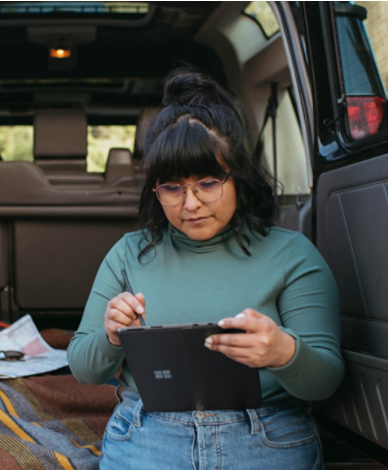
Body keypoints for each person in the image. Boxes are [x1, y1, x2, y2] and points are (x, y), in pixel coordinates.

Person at [66, 68, 344, 470]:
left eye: (208, 182)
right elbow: (84, 367)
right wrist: (111, 335)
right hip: (148, 435)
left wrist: (284, 352)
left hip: (267, 437)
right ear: (154, 190)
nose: (190, 203)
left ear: (238, 178)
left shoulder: (292, 255)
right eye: (172, 187)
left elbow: (326, 380)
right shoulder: (129, 255)